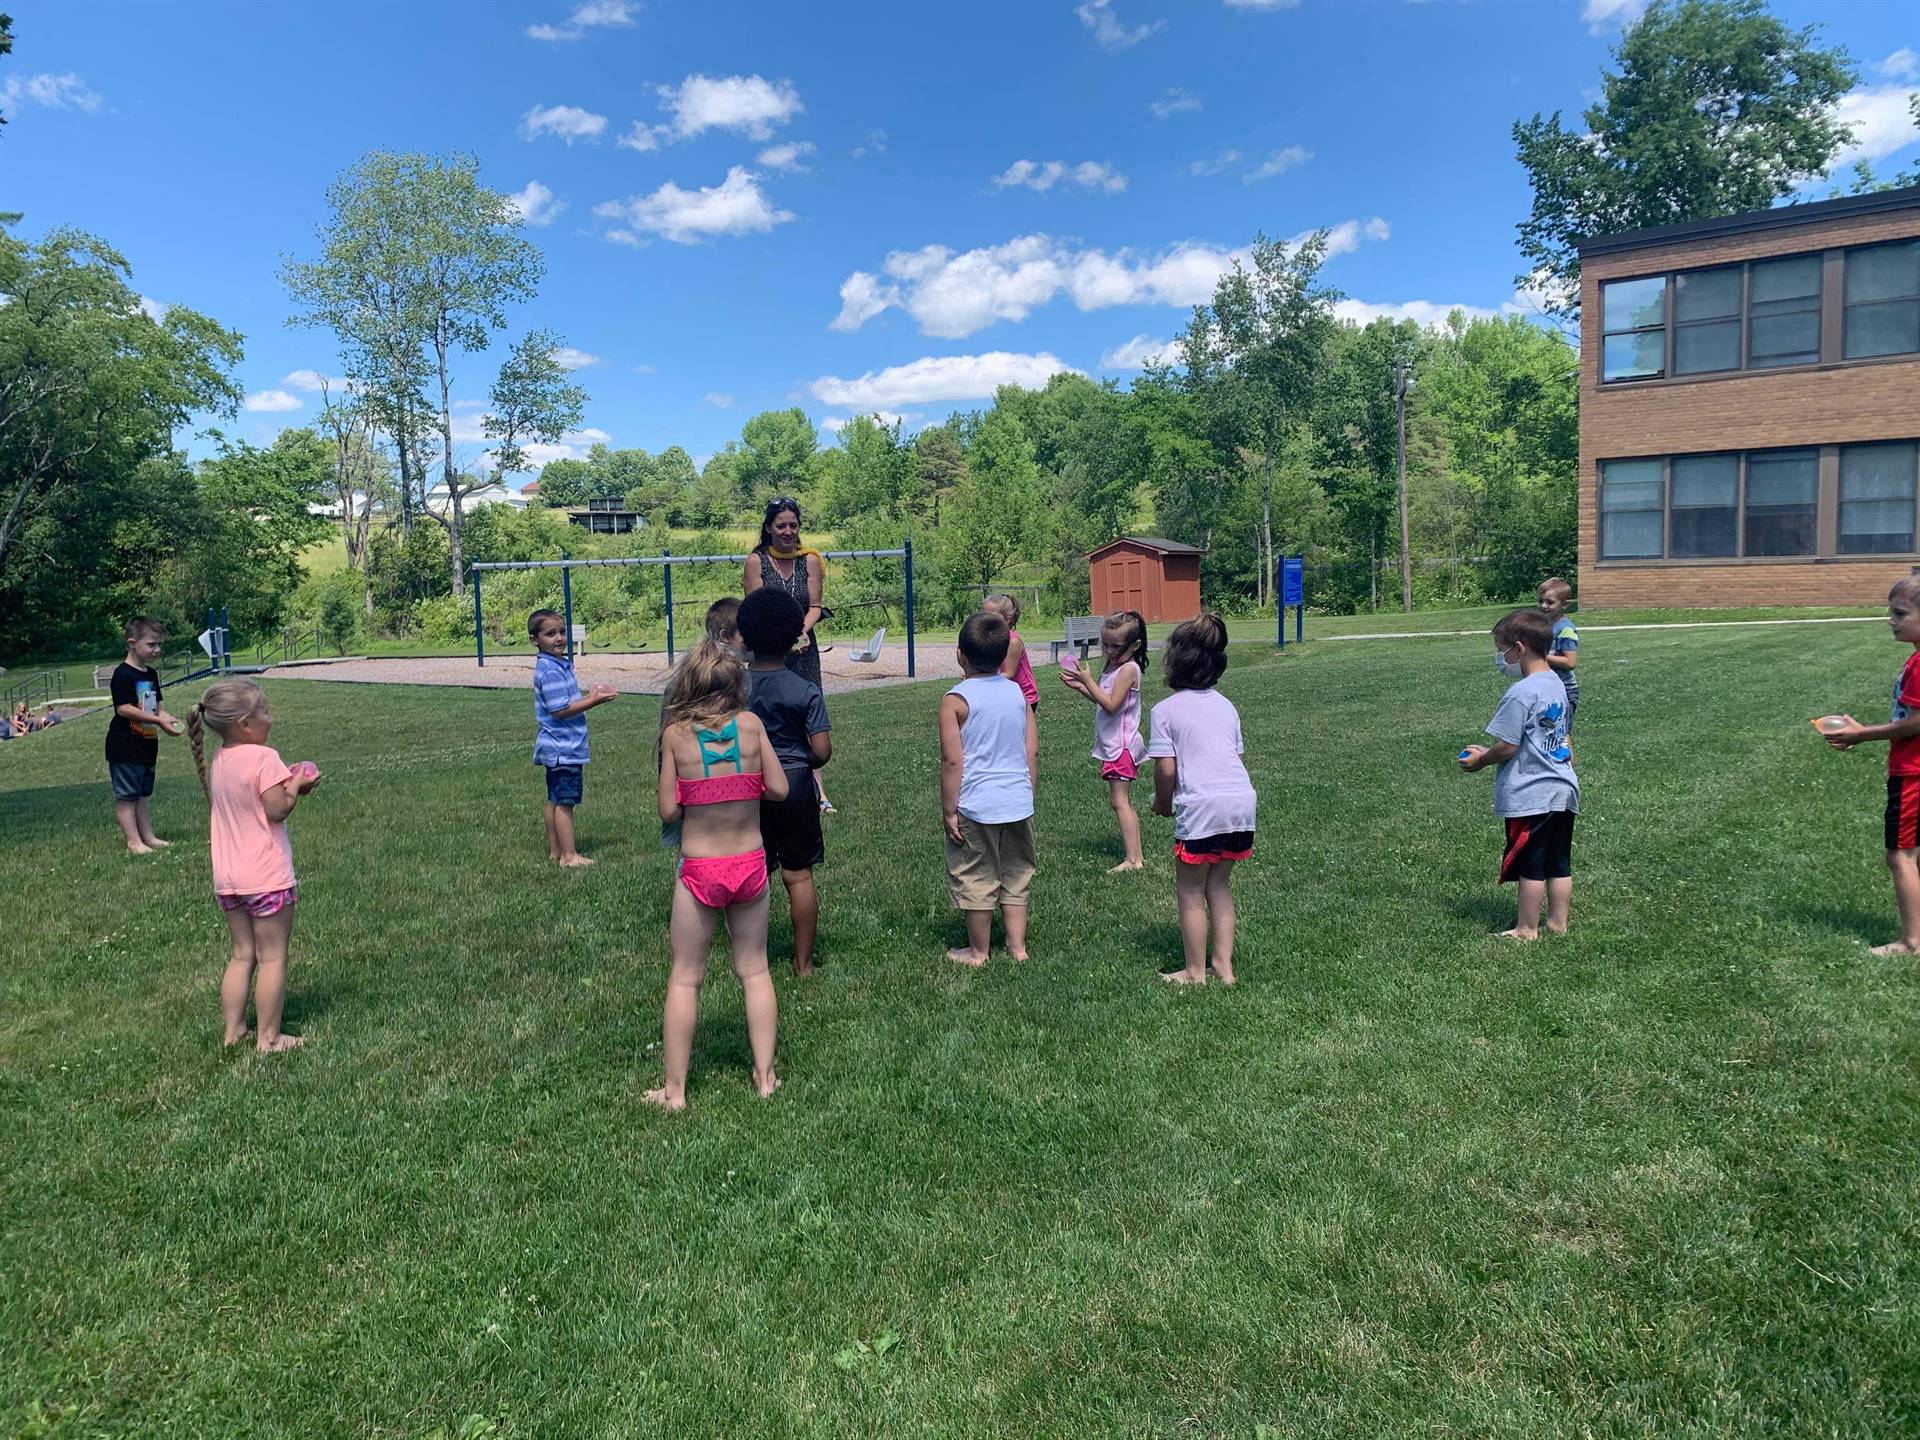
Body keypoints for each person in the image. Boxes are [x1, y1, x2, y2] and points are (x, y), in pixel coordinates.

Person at [650, 640, 789, 1110]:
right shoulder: (751, 726)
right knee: (755, 970)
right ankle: (765, 1076)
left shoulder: (675, 734)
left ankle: (675, 1091)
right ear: (738, 685)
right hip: (750, 863)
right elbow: (779, 787)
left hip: (699, 868)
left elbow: (668, 809)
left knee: (686, 978)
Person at [187, 679, 322, 1052]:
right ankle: (270, 1038)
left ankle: (234, 1032)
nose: (270, 718)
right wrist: (297, 785)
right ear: (246, 723)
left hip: (229, 879)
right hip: (265, 876)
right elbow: (277, 810)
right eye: (264, 711)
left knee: (242, 954)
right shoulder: (264, 757)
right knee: (273, 956)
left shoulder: (219, 759)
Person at [1458, 607, 1579, 942]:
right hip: (1564, 788)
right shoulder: (1556, 683)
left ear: (1520, 648)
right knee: (1559, 862)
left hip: (1533, 793)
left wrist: (1482, 759)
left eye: (1502, 651)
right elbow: (1565, 736)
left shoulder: (1521, 692)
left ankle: (1526, 929)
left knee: (1531, 863)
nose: (1502, 658)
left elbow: (1508, 746)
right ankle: (1557, 923)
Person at [1148, 614, 1256, 985]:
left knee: (1191, 890)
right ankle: (1223, 966)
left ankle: (1195, 971)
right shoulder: (1226, 706)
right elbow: (1234, 757)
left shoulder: (1164, 711)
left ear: (1174, 662)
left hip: (1202, 807)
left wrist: (1162, 803)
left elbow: (1165, 771)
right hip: (1241, 804)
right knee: (1219, 886)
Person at [1821, 576, 1920, 954]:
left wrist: (1862, 734)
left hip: (1913, 772)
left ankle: (1911, 942)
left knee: (1901, 854)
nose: (1890, 620)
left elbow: (1917, 720)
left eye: (1900, 613)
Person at [740, 588, 832, 977]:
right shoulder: (804, 690)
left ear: (744, 637)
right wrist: (798, 762)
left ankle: (748, 958)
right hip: (794, 785)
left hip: (744, 786)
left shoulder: (733, 689)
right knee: (799, 875)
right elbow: (822, 751)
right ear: (796, 636)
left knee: (750, 874)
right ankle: (804, 964)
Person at [939, 611, 1038, 967]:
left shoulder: (956, 700)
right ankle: (1017, 948)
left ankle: (978, 952)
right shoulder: (1016, 693)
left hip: (976, 803)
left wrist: (950, 809)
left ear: (960, 655)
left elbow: (952, 762)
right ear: (1003, 656)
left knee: (977, 874)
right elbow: (1031, 749)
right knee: (1016, 872)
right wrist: (1029, 791)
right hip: (1017, 799)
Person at [743, 496, 835, 814]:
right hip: (769, 651)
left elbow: (815, 606)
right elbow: (755, 609)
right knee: (768, 717)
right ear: (768, 528)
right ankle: (765, 781)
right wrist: (780, 638)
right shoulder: (756, 562)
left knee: (808, 717)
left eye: (793, 525)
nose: (787, 531)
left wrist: (802, 631)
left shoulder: (809, 560)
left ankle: (816, 790)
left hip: (804, 650)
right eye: (780, 525)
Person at [1058, 609, 1149, 873]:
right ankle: (1135, 857)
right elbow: (1105, 700)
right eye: (1105, 644)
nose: (1109, 650)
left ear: (1135, 645)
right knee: (1120, 802)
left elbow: (1110, 705)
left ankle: (1134, 860)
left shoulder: (1128, 670)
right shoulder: (1115, 667)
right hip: (1115, 746)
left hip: (1121, 747)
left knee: (1120, 802)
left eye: (1116, 646)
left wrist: (1088, 680)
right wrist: (1082, 688)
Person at [529, 609, 617, 867]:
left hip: (556, 746)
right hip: (564, 747)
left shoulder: (556, 664)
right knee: (565, 801)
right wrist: (593, 700)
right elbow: (560, 710)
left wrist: (586, 696)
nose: (558, 638)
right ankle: (569, 856)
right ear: (535, 640)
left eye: (562, 632)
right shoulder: (550, 671)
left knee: (554, 798)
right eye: (550, 633)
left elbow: (565, 702)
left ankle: (555, 850)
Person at [106, 616, 183, 854]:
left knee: (141, 794)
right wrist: (158, 720)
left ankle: (148, 836)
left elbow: (157, 705)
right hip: (124, 744)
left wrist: (167, 720)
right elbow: (124, 708)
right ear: (132, 643)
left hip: (146, 744)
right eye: (151, 644)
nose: (157, 649)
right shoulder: (123, 674)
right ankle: (133, 841)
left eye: (159, 644)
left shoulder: (150, 674)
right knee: (127, 795)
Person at [985, 594, 1039, 712]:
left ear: (1008, 619)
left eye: (991, 616)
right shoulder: (989, 638)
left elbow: (1009, 673)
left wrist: (982, 679)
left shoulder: (1012, 642)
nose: (985, 619)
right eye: (983, 615)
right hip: (1005, 693)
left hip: (1024, 697)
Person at [1537, 577, 1579, 728]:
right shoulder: (1542, 625)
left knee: (1561, 735)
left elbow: (1570, 662)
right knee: (1545, 733)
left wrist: (1540, 657)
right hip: (1545, 687)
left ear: (1565, 604)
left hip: (1564, 690)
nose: (1543, 606)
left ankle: (1567, 754)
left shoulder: (1565, 629)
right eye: (1540, 601)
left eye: (1550, 602)